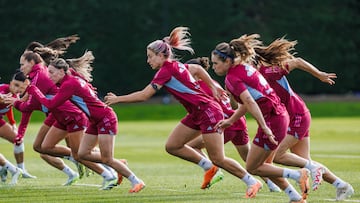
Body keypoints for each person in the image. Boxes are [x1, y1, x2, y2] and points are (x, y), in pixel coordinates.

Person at [104, 27, 265, 198]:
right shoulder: (177, 65)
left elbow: (145, 95)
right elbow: (198, 70)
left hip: (208, 112)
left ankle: (251, 181)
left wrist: (118, 99)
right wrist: (211, 86)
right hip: (196, 113)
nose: (148, 60)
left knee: (218, 158)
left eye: (150, 56)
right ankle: (208, 167)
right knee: (172, 146)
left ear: (161, 55)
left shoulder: (166, 70)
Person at [252, 35, 354, 201]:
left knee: (279, 156)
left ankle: (312, 173)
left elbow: (297, 61)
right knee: (305, 161)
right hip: (293, 117)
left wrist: (319, 74)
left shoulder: (268, 72)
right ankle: (342, 185)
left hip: (297, 116)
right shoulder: (255, 78)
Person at [211, 37, 310, 203]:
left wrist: (264, 127)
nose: (213, 67)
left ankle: (298, 174)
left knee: (252, 167)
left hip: (273, 120)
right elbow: (245, 104)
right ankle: (295, 197)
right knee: (263, 165)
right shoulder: (245, 68)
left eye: (216, 63)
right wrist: (231, 120)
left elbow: (249, 102)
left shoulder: (232, 77)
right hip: (278, 116)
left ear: (227, 60)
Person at [24, 57, 145, 192]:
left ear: (62, 71)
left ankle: (136, 181)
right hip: (94, 121)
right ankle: (118, 164)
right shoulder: (70, 77)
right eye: (48, 72)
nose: (49, 76)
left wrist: (35, 91)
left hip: (105, 118)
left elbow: (51, 104)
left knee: (107, 158)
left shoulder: (68, 84)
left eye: (52, 72)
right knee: (82, 154)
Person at [4, 52, 120, 188]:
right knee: (44, 148)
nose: (21, 67)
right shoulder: (35, 77)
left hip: (71, 115)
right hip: (58, 116)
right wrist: (19, 102)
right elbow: (31, 102)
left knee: (80, 154)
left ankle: (110, 172)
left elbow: (31, 105)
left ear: (31, 63)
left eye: (22, 64)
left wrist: (16, 103)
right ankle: (88, 164)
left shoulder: (39, 77)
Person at [185, 57, 281, 192]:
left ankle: (214, 171)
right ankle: (273, 184)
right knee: (250, 161)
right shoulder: (213, 83)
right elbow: (231, 103)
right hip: (238, 121)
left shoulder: (198, 87)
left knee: (192, 147)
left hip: (225, 124)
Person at [0, 71, 36, 179]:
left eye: (19, 87)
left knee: (18, 139)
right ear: (10, 83)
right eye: (14, 85)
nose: (16, 89)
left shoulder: (16, 95)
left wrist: (13, 123)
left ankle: (21, 170)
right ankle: (9, 169)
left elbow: (8, 108)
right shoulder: (3, 89)